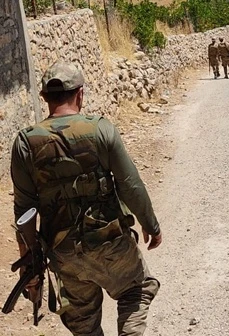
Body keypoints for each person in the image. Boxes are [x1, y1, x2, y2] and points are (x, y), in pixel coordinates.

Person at [10, 60, 163, 336]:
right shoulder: (101, 130)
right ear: (80, 94)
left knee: (84, 324)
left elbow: (23, 211)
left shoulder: (24, 143)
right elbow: (130, 185)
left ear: (44, 98)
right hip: (110, 244)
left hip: (64, 254)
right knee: (137, 289)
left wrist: (30, 267)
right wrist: (151, 225)